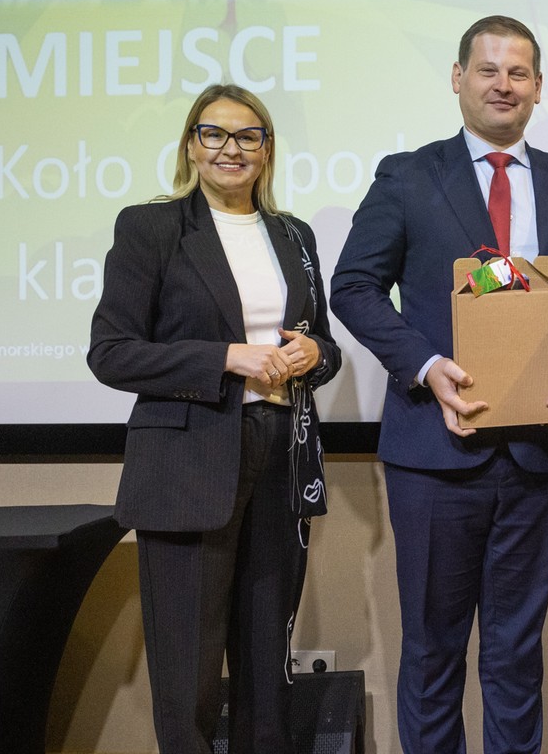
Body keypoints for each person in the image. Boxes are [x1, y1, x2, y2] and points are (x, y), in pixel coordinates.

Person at [330, 15, 548, 753]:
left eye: (518, 73)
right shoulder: (407, 176)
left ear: (539, 87)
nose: (503, 85)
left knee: (517, 657)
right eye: (488, 70)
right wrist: (426, 365)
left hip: (537, 452)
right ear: (458, 78)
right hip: (433, 453)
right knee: (432, 652)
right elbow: (354, 286)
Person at [88, 83, 341, 753]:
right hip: (188, 462)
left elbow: (323, 343)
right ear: (191, 147)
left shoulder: (294, 235)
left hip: (280, 452)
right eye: (214, 134)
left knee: (267, 665)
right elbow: (111, 353)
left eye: (248, 135)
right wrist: (226, 357)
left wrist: (316, 353)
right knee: (189, 675)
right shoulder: (151, 228)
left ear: (267, 149)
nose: (232, 148)